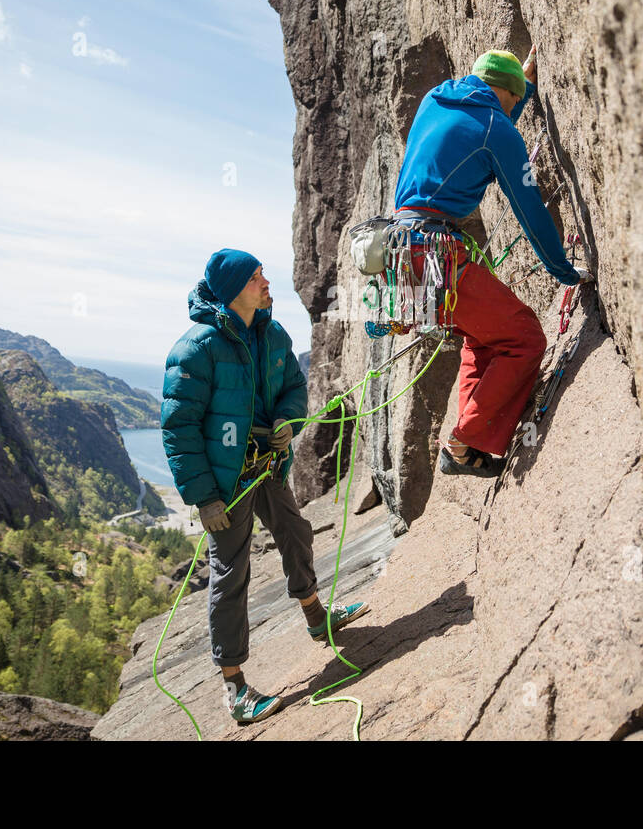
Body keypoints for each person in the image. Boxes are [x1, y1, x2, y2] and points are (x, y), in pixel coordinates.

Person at [160, 248, 368, 723]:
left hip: (267, 465)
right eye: (257, 277)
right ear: (235, 290)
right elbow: (178, 430)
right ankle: (235, 687)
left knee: (295, 534)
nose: (266, 281)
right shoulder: (196, 349)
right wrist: (205, 497)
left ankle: (319, 619)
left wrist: (286, 420)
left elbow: (294, 386)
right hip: (224, 481)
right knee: (231, 574)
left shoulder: (272, 334)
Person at [391, 48, 590, 477]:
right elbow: (528, 207)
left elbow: (476, 134)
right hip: (436, 252)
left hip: (401, 251)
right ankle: (462, 441)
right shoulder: (496, 127)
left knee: (482, 338)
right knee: (523, 338)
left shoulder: (434, 100)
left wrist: (522, 87)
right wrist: (562, 269)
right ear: (509, 96)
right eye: (514, 101)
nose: (512, 109)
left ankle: (466, 446)